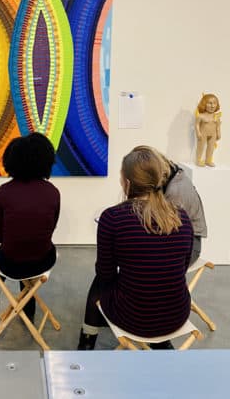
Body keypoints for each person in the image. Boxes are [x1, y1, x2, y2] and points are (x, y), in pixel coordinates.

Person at [78, 146, 193, 351]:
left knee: (98, 283)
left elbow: (105, 273)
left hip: (133, 319)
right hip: (177, 315)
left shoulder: (112, 218)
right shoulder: (181, 217)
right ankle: (162, 343)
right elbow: (182, 267)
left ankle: (86, 345)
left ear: (127, 183)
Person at [0, 132, 60, 321]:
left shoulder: (3, 193)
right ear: (47, 161)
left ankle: (23, 305)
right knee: (30, 246)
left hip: (10, 264)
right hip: (43, 260)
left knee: (16, 250)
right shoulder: (52, 192)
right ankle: (28, 308)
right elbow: (50, 229)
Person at [151, 149, 207, 265]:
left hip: (190, 249)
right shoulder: (176, 175)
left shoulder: (175, 191)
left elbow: (170, 232)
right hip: (185, 242)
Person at [195, 93, 221, 167]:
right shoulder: (201, 116)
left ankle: (208, 160)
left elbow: (218, 126)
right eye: (210, 103)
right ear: (204, 104)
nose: (212, 106)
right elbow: (196, 125)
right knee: (201, 146)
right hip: (203, 133)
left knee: (211, 147)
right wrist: (198, 132)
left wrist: (219, 133)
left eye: (214, 103)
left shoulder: (216, 117)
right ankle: (199, 160)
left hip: (213, 134)